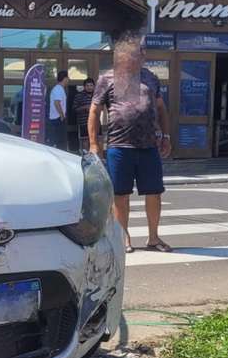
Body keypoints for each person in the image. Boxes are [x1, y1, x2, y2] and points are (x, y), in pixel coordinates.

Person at [89, 33, 173, 253]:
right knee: (120, 195)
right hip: (119, 146)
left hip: (148, 147)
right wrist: (94, 143)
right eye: (135, 55)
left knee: (154, 193)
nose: (139, 58)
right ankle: (123, 237)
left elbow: (161, 108)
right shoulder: (107, 78)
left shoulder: (150, 78)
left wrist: (166, 136)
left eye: (141, 54)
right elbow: (94, 110)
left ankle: (153, 238)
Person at [48, 70, 69, 150]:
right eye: (67, 78)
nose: (68, 80)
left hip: (57, 118)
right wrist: (62, 115)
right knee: (59, 143)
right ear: (65, 78)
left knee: (59, 142)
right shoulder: (58, 89)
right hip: (57, 118)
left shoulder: (59, 89)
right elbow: (57, 103)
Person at [74, 78, 96, 148]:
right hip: (84, 122)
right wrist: (84, 107)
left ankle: (97, 154)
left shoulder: (96, 96)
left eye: (91, 85)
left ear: (94, 86)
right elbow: (74, 109)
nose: (89, 87)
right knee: (85, 140)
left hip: (96, 122)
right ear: (84, 87)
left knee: (97, 139)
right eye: (87, 86)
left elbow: (101, 108)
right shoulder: (79, 96)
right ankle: (86, 154)